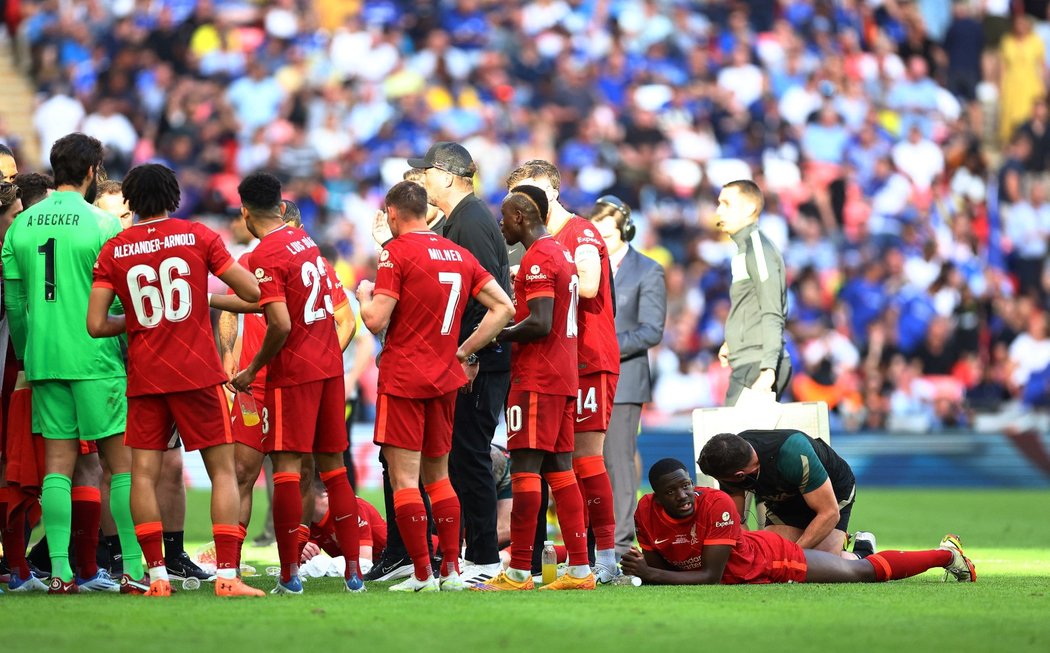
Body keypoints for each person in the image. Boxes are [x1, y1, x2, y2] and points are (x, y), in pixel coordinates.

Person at [87, 163, 264, 597]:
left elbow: (94, 324)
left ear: (129, 201)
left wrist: (142, 322)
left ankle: (158, 578)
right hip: (197, 372)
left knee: (141, 476)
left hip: (146, 374)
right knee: (222, 471)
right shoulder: (199, 236)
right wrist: (199, 301)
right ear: (173, 197)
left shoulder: (115, 249)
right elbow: (253, 293)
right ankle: (226, 576)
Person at [1, 133, 143, 594]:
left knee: (57, 467)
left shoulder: (21, 225)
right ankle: (134, 569)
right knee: (119, 466)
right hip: (96, 357)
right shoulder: (105, 226)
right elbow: (124, 296)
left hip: (43, 360)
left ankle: (60, 573)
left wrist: (28, 353)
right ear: (92, 172)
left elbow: (17, 303)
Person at [357, 180, 514, 592]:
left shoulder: (396, 251)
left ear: (392, 213)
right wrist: (464, 352)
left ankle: (423, 574)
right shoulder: (459, 254)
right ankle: (451, 571)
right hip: (445, 378)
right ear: (427, 212)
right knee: (440, 478)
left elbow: (376, 320)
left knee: (405, 480)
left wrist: (363, 295)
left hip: (405, 377)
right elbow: (504, 307)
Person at [227, 172, 365, 595]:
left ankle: (288, 573)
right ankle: (354, 572)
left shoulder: (267, 252)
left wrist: (251, 370)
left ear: (246, 212)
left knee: (286, 471)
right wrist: (213, 299)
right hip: (328, 372)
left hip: (292, 375)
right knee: (334, 471)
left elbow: (280, 323)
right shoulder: (307, 244)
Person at [473, 185, 595, 591]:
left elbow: (540, 322)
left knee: (525, 471)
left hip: (537, 379)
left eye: (504, 218)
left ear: (520, 217)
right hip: (562, 377)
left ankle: (520, 570)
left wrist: (497, 335)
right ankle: (579, 570)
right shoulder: (560, 251)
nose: (500, 225)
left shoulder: (540, 256)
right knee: (562, 472)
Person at [506, 160, 621, 581]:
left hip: (588, 358)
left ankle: (605, 558)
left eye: (528, 190)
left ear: (550, 190)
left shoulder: (580, 232)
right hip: (563, 361)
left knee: (587, 460)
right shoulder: (541, 244)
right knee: (562, 465)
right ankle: (578, 560)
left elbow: (588, 283)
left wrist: (544, 269)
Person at [92, 178, 210, 585]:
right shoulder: (107, 252)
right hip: (113, 367)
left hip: (152, 366)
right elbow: (95, 321)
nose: (122, 222)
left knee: (170, 466)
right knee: (115, 469)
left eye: (125, 214)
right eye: (114, 216)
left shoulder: (139, 249)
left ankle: (172, 555)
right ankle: (118, 556)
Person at [406, 142, 512, 585]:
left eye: (426, 172)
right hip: (476, 358)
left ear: (447, 176)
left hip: (480, 361)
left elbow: (486, 299)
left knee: (470, 457)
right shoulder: (461, 217)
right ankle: (474, 553)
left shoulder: (468, 222)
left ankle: (484, 558)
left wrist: (469, 354)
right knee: (461, 458)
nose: (422, 179)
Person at [620, 458, 976, 585]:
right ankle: (862, 546)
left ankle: (945, 554)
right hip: (741, 567)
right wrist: (645, 569)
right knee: (847, 563)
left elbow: (710, 577)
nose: (684, 496)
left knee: (859, 575)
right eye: (673, 491)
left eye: (687, 486)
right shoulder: (645, 512)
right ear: (656, 495)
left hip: (768, 560)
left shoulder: (715, 503)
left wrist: (649, 573)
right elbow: (660, 569)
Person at [589, 195, 667, 558]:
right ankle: (594, 540)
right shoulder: (587, 265)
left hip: (624, 380)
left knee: (617, 460)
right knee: (589, 460)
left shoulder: (649, 270)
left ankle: (619, 544)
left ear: (626, 230)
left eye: (609, 232)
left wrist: (603, 346)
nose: (602, 239)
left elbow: (652, 330)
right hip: (587, 376)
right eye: (598, 232)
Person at [697, 431, 874, 558]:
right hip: (786, 499)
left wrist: (791, 557)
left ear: (739, 476)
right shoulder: (731, 458)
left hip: (832, 492)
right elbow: (737, 522)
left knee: (820, 563)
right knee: (768, 556)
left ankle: (862, 551)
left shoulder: (792, 453)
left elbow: (829, 513)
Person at [715, 179, 791, 406]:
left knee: (731, 440)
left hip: (757, 364)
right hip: (749, 360)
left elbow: (772, 311)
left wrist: (768, 370)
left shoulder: (757, 249)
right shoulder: (744, 249)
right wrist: (732, 342)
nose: (718, 210)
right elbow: (750, 303)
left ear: (750, 209)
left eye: (726, 203)